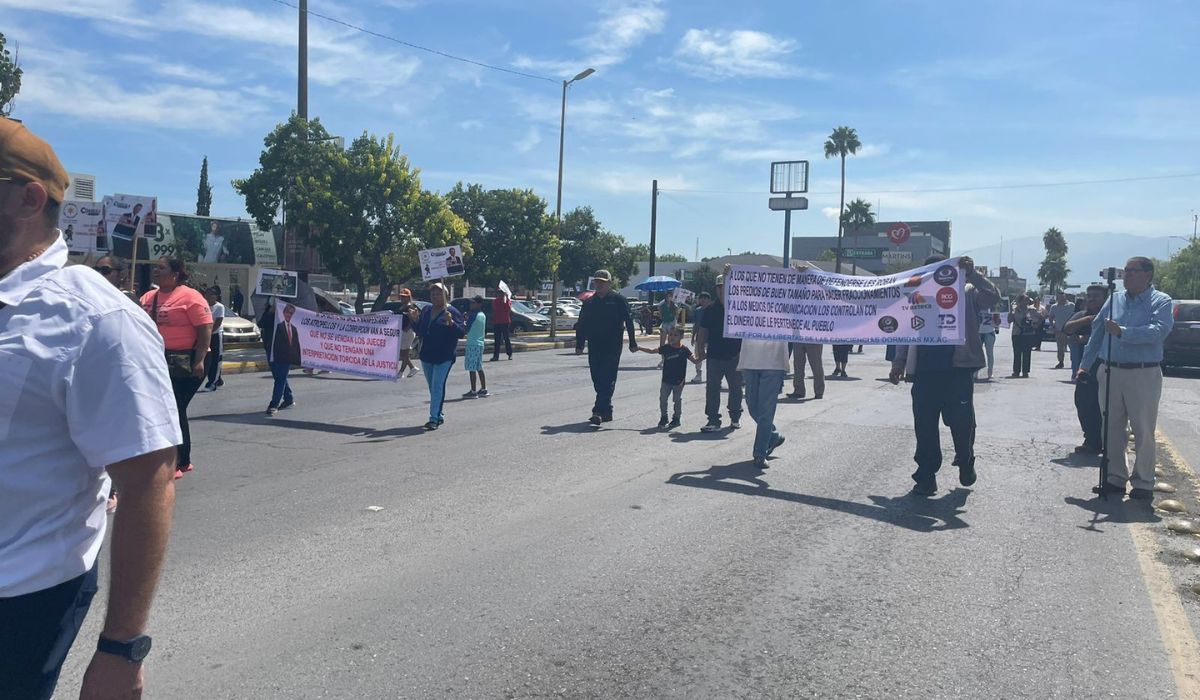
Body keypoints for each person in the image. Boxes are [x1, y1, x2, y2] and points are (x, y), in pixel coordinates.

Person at [0, 116, 178, 700]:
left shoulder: (98, 319)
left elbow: (148, 481)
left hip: (19, 601)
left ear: (28, 199)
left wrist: (121, 650)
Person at [890, 256, 999, 496]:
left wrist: (973, 274)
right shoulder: (917, 295)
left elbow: (992, 297)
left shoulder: (967, 291)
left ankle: (965, 460)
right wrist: (899, 362)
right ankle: (926, 475)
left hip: (957, 370)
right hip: (925, 372)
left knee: (962, 423)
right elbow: (906, 328)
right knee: (925, 426)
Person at [1078, 257, 1174, 500]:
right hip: (1111, 370)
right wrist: (1085, 365)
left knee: (1143, 428)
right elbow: (1098, 330)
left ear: (1147, 275)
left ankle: (1143, 482)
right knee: (1111, 427)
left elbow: (1159, 331)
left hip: (1143, 372)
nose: (1127, 275)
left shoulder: (1160, 301)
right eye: (1126, 271)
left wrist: (1123, 332)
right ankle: (1114, 478)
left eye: (1133, 271)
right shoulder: (1115, 299)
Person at [140, 257, 212, 479]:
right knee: (170, 408)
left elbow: (205, 329)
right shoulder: (148, 297)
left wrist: (199, 360)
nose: (156, 270)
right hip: (159, 360)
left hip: (188, 360)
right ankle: (178, 457)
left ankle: (180, 460)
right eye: (156, 267)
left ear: (175, 274)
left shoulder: (190, 297)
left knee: (174, 407)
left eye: (161, 268)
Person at [575, 269, 637, 425]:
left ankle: (597, 411)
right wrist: (579, 344)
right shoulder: (589, 302)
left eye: (603, 282)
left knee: (607, 378)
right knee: (597, 378)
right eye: (597, 281)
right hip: (594, 345)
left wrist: (632, 342)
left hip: (612, 346)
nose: (599, 284)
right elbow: (582, 324)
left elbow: (629, 322)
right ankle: (607, 411)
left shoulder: (618, 300)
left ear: (609, 283)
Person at [411, 282, 466, 430]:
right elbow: (421, 331)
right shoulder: (427, 310)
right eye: (433, 294)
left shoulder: (452, 311)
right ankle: (439, 413)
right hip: (427, 354)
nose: (435, 296)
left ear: (446, 296)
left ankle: (433, 418)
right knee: (432, 386)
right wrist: (415, 320)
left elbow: (461, 333)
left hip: (444, 356)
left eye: (438, 294)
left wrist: (451, 322)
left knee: (437, 386)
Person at [1064, 284, 1109, 454]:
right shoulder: (1082, 315)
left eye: (1096, 296)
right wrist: (1087, 320)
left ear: (1105, 298)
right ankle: (1091, 440)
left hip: (1105, 366)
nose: (1091, 299)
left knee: (1103, 406)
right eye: (1089, 296)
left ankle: (1107, 442)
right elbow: (1067, 328)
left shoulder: (1111, 316)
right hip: (1084, 368)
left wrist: (1088, 337)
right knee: (1083, 403)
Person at [696, 273, 743, 432]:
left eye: (725, 287)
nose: (722, 290)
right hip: (714, 356)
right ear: (716, 289)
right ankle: (713, 420)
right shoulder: (710, 309)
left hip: (735, 355)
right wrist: (700, 348)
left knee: (736, 388)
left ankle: (735, 417)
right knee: (712, 389)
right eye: (720, 287)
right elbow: (703, 330)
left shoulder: (739, 307)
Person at [739, 333, 790, 468]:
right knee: (752, 406)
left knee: (766, 411)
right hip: (750, 359)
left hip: (774, 361)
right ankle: (772, 435)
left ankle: (760, 454)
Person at [637, 325, 700, 429]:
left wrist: (705, 355)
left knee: (677, 400)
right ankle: (664, 417)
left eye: (675, 335)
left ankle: (676, 418)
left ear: (681, 337)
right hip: (666, 380)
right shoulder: (666, 348)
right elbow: (652, 350)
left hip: (679, 381)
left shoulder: (684, 350)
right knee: (663, 399)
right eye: (670, 335)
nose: (671, 337)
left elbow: (695, 360)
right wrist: (639, 348)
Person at [258, 298, 296, 416]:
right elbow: (261, 324)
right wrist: (271, 311)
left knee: (280, 378)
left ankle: (274, 404)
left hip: (285, 352)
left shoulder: (292, 324)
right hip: (271, 350)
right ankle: (288, 398)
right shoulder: (270, 314)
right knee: (279, 376)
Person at [463, 295, 489, 398]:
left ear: (479, 304)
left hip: (472, 343)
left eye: (473, 303)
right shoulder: (482, 315)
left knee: (472, 368)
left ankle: (473, 391)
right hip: (480, 343)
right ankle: (483, 389)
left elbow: (466, 329)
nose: (471, 305)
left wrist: (464, 320)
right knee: (479, 367)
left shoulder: (473, 315)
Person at [1008, 295, 1038, 377]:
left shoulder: (1032, 310)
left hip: (1028, 334)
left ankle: (1025, 371)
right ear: (1019, 301)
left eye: (1027, 300)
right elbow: (1009, 320)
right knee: (1017, 353)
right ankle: (1016, 371)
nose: (1026, 302)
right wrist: (1010, 312)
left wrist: (1035, 325)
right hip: (1017, 333)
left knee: (1027, 353)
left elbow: (1041, 317)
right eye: (1024, 300)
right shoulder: (1014, 310)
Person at [204, 286, 225, 391]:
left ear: (215, 296)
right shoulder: (204, 306)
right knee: (208, 358)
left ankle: (212, 383)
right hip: (206, 335)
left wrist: (210, 332)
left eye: (211, 295)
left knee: (216, 359)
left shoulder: (219, 307)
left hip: (216, 335)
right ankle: (218, 379)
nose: (208, 297)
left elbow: (218, 322)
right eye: (206, 294)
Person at [1048, 291, 1075, 369]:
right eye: (1059, 297)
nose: (1061, 299)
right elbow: (1051, 317)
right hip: (1059, 330)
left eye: (1062, 297)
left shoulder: (1071, 305)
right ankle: (1060, 362)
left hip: (1071, 330)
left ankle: (1074, 362)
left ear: (1065, 297)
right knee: (1060, 348)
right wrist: (1053, 326)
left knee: (1073, 347)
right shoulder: (1054, 307)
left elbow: (1076, 314)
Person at [396, 287, 419, 378]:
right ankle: (411, 368)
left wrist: (408, 327)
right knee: (403, 353)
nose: (402, 298)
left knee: (404, 352)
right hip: (402, 331)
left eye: (404, 297)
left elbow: (414, 318)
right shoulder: (402, 307)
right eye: (401, 296)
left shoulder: (410, 307)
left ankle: (401, 372)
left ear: (409, 297)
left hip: (408, 332)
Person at [689, 291, 711, 383]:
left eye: (705, 298)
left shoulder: (713, 310)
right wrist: (693, 336)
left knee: (712, 358)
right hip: (699, 337)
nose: (703, 300)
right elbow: (696, 324)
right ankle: (698, 374)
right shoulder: (697, 311)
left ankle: (712, 376)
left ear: (709, 300)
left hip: (711, 338)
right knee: (698, 356)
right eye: (701, 298)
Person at [656, 292, 681, 367]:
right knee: (662, 343)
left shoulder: (674, 305)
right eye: (667, 296)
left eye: (670, 296)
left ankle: (670, 358)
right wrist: (661, 314)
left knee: (671, 342)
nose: (669, 298)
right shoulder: (662, 305)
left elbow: (676, 315)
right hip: (665, 323)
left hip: (672, 324)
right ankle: (663, 359)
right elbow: (660, 314)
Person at [490, 287, 513, 361]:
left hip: (505, 322)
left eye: (501, 293)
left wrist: (506, 300)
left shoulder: (507, 301)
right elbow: (495, 309)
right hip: (497, 322)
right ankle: (496, 356)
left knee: (506, 338)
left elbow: (508, 309)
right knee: (497, 340)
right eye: (499, 292)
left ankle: (510, 354)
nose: (500, 294)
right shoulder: (495, 301)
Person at [977, 306, 997, 381]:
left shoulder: (992, 308)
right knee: (977, 353)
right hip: (978, 332)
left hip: (989, 332)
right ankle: (975, 372)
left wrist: (998, 321)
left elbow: (997, 321)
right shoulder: (977, 307)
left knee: (990, 353)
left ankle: (990, 372)